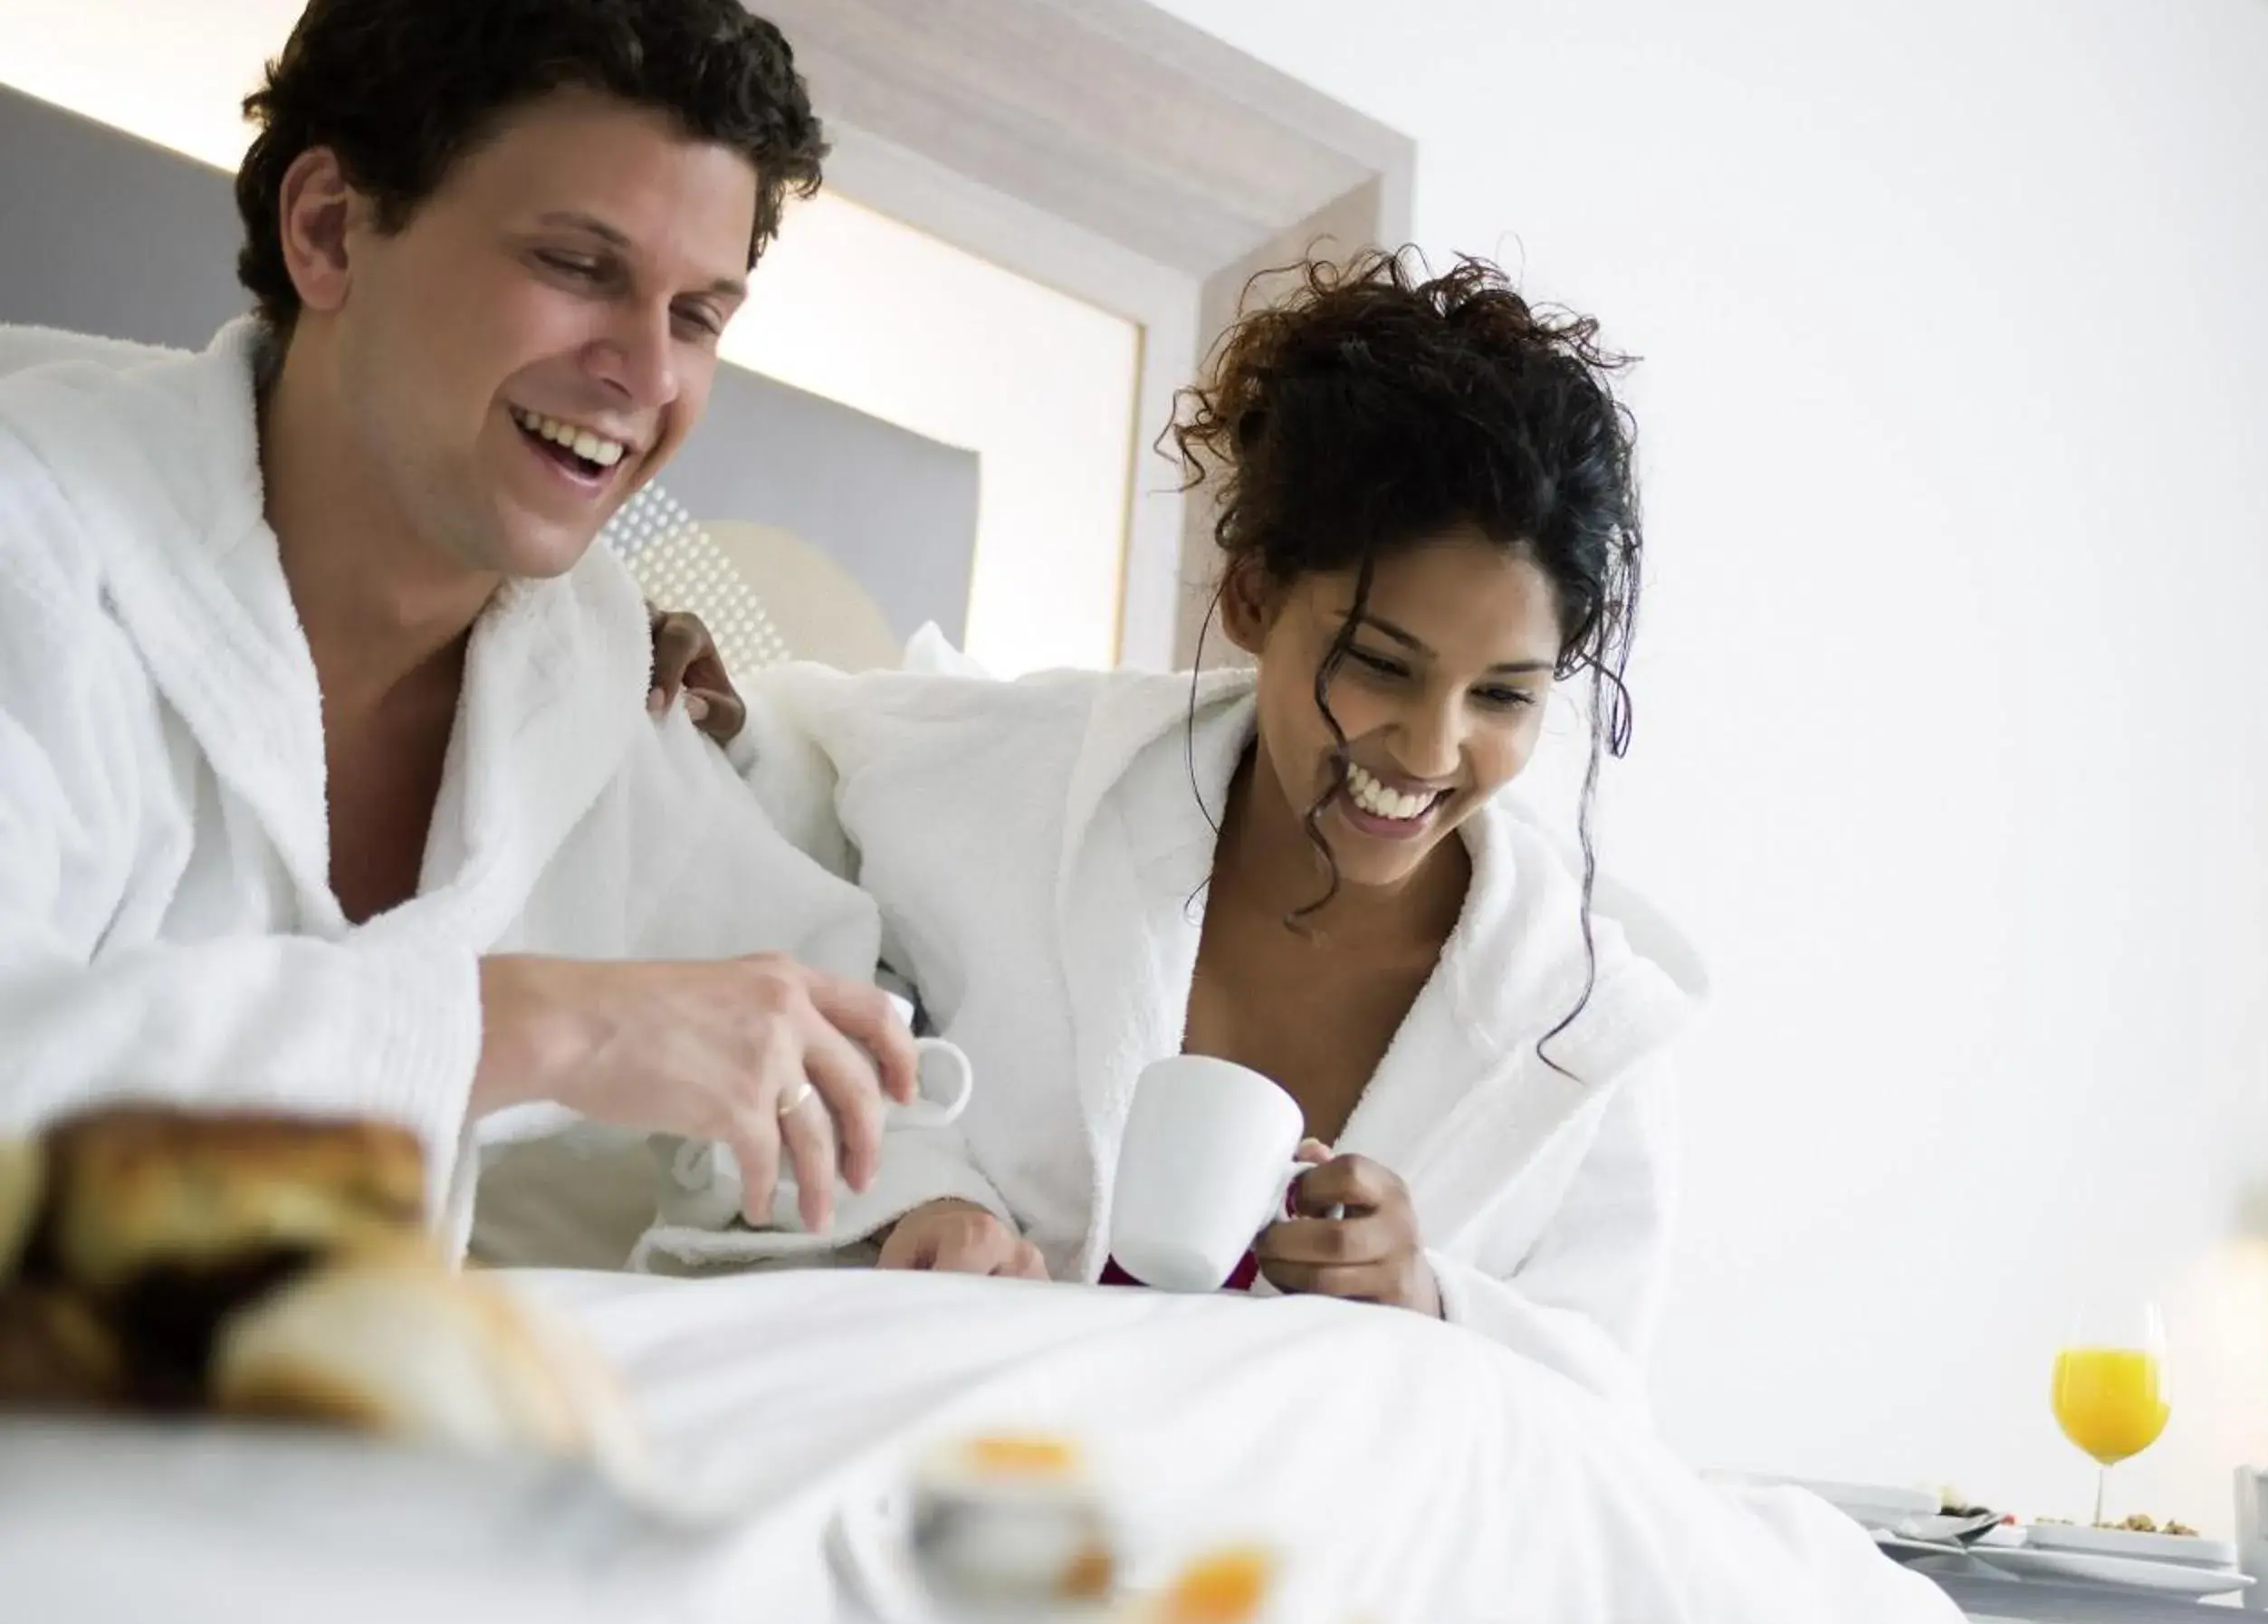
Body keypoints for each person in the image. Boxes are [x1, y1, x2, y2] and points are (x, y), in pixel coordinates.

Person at [0, 0, 985, 1261]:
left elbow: (807, 1029)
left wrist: (921, 1210)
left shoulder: (581, 672)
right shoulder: (39, 542)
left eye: (698, 316)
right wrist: (530, 1026)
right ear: (330, 229)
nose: (647, 375)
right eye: (577, 265)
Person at [645, 253, 1699, 1402]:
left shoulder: (1585, 1033)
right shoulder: (1026, 778)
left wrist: (1427, 1303)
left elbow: (1599, 1408)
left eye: (1502, 695)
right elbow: (781, 873)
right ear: (1251, 599)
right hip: (967, 1448)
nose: (1433, 750)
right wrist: (924, 1201)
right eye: (1378, 664)